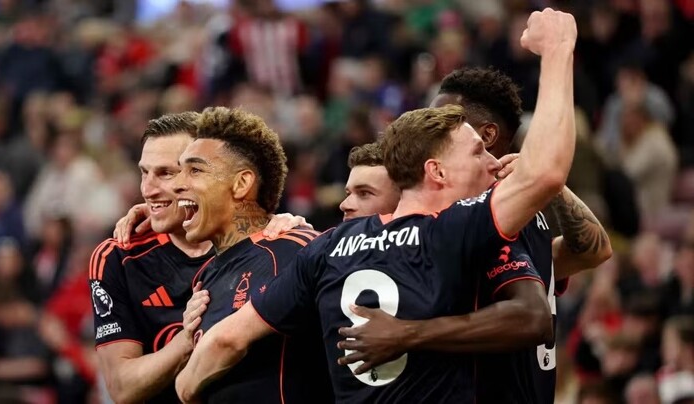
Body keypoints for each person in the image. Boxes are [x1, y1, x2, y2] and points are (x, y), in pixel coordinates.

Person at [174, 9, 579, 402]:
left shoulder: (327, 247)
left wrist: (186, 389)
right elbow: (545, 175)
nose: (493, 162)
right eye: (477, 153)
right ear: (436, 171)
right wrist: (558, 49)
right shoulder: (451, 230)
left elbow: (227, 340)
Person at [337, 69, 612, 403]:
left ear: (486, 135)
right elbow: (591, 251)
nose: (433, 125)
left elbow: (534, 314)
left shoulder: (486, 218)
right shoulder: (517, 217)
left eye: (444, 117)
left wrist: (407, 334)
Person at [90, 112, 309, 403]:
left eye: (168, 173)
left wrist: (285, 233)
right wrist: (186, 339)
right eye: (144, 172)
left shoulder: (270, 245)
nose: (148, 190)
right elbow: (122, 387)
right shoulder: (121, 255)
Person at [172, 106, 333, 403]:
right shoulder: (205, 276)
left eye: (195, 170)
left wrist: (183, 385)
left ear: (241, 183)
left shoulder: (294, 249)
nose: (177, 184)